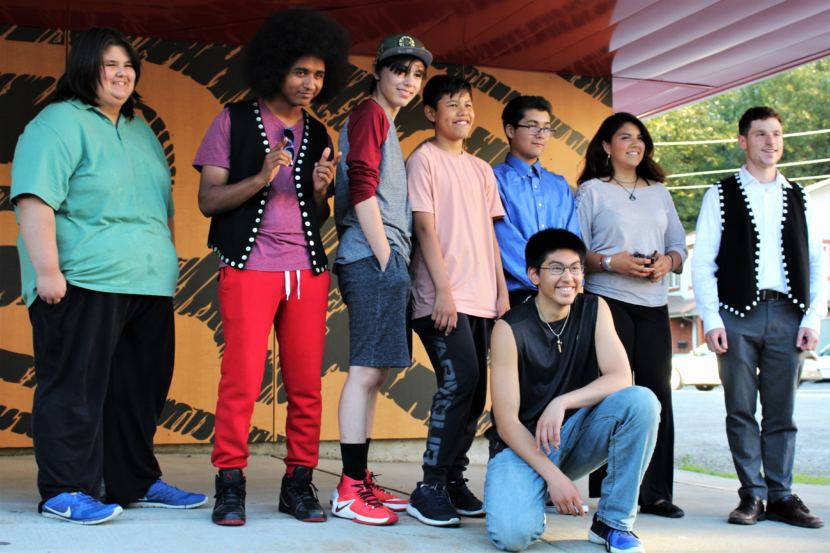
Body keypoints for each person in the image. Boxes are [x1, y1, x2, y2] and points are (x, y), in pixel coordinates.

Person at [11, 27, 205, 525]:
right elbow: (35, 199)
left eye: (128, 65)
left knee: (138, 391)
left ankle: (133, 479)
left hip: (147, 284)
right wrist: (47, 271)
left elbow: (163, 207)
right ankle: (64, 489)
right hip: (82, 279)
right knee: (74, 388)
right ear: (84, 69)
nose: (122, 74)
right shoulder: (55, 124)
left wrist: (167, 260)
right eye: (109, 65)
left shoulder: (139, 128)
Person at [193, 8, 349, 525]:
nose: (310, 83)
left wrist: (323, 191)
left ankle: (298, 485)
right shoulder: (233, 120)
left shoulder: (320, 130)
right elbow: (208, 201)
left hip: (306, 271)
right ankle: (230, 484)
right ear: (274, 68)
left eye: (320, 74)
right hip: (249, 267)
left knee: (307, 383)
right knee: (240, 380)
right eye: (301, 71)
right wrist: (261, 177)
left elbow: (316, 213)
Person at [691, 106, 826, 529]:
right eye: (761, 134)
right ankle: (752, 494)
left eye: (777, 134)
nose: (771, 142)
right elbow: (703, 263)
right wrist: (711, 319)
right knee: (740, 409)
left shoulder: (800, 196)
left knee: (783, 412)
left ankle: (782, 495)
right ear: (743, 141)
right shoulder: (721, 193)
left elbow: (819, 263)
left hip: (789, 315)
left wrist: (813, 319)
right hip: (735, 316)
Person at [484, 228, 659, 553]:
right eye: (557, 268)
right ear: (534, 275)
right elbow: (507, 424)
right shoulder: (509, 329)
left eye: (576, 267)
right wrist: (555, 478)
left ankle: (613, 523)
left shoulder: (594, 309)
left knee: (641, 402)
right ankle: (537, 489)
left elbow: (622, 377)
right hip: (523, 447)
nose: (569, 277)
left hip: (576, 435)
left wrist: (563, 402)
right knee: (512, 536)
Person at [331, 34, 431, 526]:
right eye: (399, 70)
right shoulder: (370, 114)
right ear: (378, 71)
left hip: (379, 258)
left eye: (416, 74)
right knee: (366, 372)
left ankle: (360, 478)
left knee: (375, 374)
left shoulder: (384, 120)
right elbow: (362, 186)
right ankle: (349, 490)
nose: (408, 81)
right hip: (371, 256)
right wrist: (387, 254)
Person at [405, 75, 509, 528]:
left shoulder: (482, 170)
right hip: (440, 298)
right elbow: (425, 228)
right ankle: (428, 485)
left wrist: (502, 292)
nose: (463, 112)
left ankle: (452, 479)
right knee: (458, 383)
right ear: (431, 113)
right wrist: (443, 291)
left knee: (476, 393)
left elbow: (489, 234)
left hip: (483, 296)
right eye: (452, 105)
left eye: (468, 105)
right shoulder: (423, 160)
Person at [575, 112, 687, 519]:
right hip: (608, 301)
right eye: (625, 137)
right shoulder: (591, 191)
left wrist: (668, 262)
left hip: (654, 305)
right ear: (607, 146)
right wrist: (610, 262)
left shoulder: (659, 192)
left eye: (640, 137)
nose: (634, 144)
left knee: (658, 395)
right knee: (614, 392)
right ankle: (605, 488)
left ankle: (656, 492)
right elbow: (577, 251)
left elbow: (678, 244)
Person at [494, 95, 581, 307]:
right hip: (517, 297)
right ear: (510, 130)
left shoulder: (559, 185)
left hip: (563, 295)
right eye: (533, 127)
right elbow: (503, 241)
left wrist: (564, 281)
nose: (541, 135)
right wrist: (546, 279)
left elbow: (573, 239)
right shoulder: (493, 179)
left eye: (547, 128)